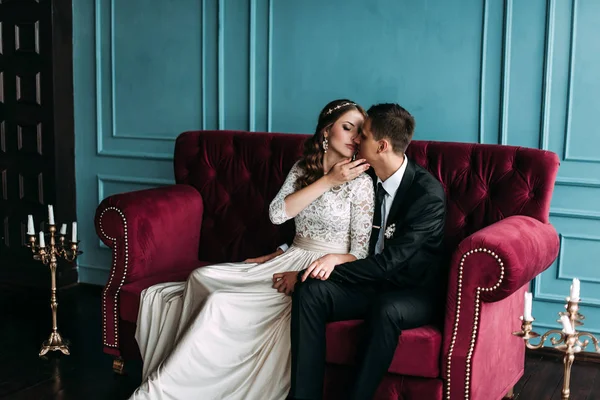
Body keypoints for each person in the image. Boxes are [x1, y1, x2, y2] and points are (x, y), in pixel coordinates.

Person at [128, 99, 375, 400]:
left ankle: (167, 390)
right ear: (326, 131)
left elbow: (361, 252)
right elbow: (277, 214)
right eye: (347, 128)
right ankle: (170, 366)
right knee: (201, 277)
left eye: (359, 132)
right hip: (289, 255)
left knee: (221, 302)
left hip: (320, 271)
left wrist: (325, 260)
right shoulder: (303, 169)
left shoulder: (361, 183)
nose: (355, 138)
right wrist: (327, 181)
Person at [277, 103, 447, 400]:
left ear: (381, 146)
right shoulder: (363, 177)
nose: (356, 140)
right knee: (310, 292)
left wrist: (309, 269)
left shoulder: (426, 194)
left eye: (363, 135)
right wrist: (285, 255)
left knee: (387, 310)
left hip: (411, 290)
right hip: (371, 282)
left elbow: (389, 265)